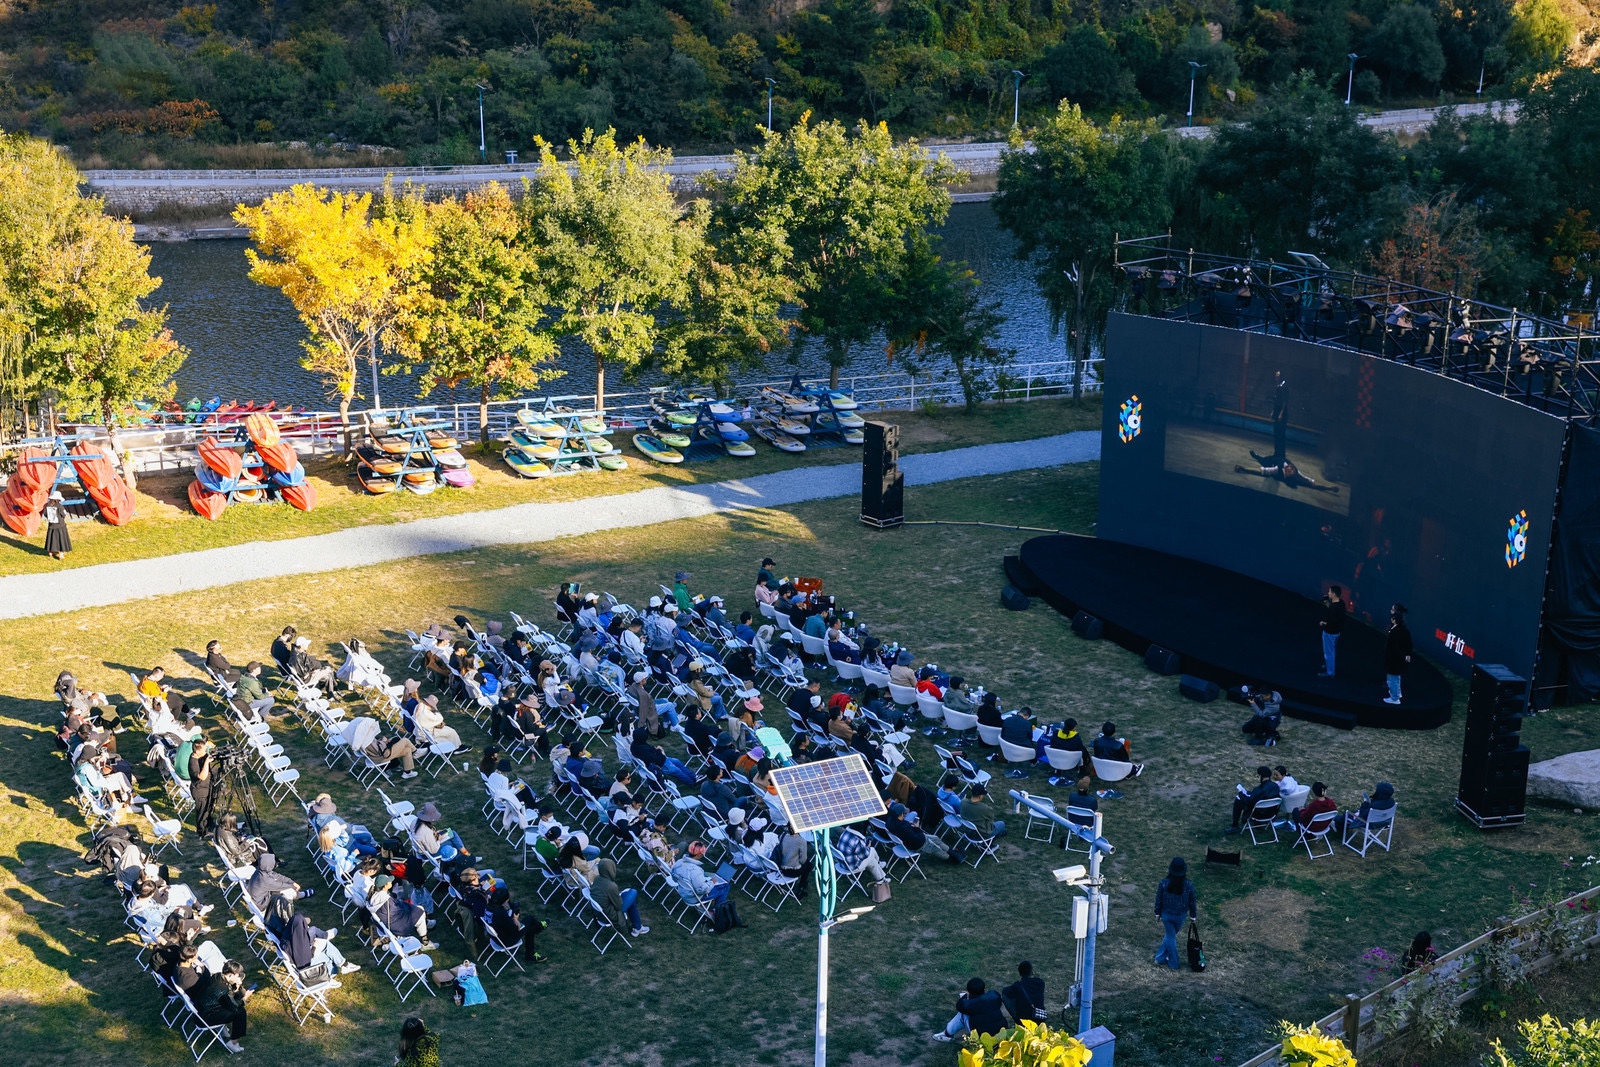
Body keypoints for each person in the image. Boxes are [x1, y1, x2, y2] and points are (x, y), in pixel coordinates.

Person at [193, 959, 252, 1053]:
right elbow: (234, 1006)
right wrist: (245, 998)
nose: (239, 976)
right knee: (240, 1012)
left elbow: (229, 997)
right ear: (230, 974)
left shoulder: (217, 976)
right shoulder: (223, 989)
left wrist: (237, 987)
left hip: (201, 1010)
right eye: (237, 974)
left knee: (237, 1009)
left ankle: (224, 1030)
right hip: (206, 1017)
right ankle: (233, 1043)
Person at [1152, 856, 1197, 971]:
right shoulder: (1188, 885)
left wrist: (1157, 912)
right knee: (1171, 937)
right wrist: (1193, 915)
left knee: (1169, 936)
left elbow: (1159, 899)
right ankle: (1174, 963)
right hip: (1180, 916)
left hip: (1166, 915)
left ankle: (1160, 958)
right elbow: (1192, 901)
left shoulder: (1163, 883)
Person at [931, 977, 1008, 1041]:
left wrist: (966, 996)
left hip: (983, 1037)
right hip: (1002, 1031)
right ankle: (947, 1034)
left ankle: (947, 1034)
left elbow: (959, 1005)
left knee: (962, 1015)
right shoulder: (994, 995)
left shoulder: (967, 1004)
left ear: (969, 991)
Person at [287, 910, 359, 976]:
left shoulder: (288, 939)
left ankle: (343, 965)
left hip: (296, 964)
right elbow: (307, 957)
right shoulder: (301, 942)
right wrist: (314, 947)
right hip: (306, 966)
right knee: (328, 953)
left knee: (325, 945)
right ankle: (336, 970)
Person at [591, 857, 650, 937]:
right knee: (633, 893)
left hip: (600, 913)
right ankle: (637, 927)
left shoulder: (597, 879)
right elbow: (618, 906)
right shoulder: (611, 886)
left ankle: (638, 927)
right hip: (610, 915)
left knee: (630, 898)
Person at [672, 839, 732, 906]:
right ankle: (718, 910)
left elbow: (674, 879)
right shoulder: (695, 871)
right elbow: (703, 890)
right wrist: (712, 882)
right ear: (699, 855)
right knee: (725, 886)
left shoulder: (679, 862)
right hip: (694, 898)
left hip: (682, 891)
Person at [1226, 766, 1280, 834]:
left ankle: (1235, 825)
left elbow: (1249, 802)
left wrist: (1240, 794)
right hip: (1271, 814)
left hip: (1258, 815)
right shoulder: (1275, 787)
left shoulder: (1259, 790)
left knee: (1238, 799)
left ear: (1261, 776)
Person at [188, 737, 217, 836]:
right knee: (202, 812)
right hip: (200, 791)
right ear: (197, 750)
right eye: (204, 750)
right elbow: (202, 777)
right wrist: (206, 762)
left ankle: (208, 825)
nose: (205, 752)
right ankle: (202, 831)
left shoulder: (202, 756)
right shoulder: (193, 762)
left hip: (207, 788)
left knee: (208, 809)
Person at [1384, 604, 1412, 705]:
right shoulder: (1403, 630)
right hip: (1398, 659)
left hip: (1394, 660)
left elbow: (1394, 647)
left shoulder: (1395, 632)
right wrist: (1406, 655)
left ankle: (1394, 698)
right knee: (1396, 678)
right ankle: (1397, 693)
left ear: (1394, 619)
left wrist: (1403, 655)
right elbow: (1408, 644)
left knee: (1392, 679)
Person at [1319, 586, 1345, 677]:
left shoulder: (1335, 608)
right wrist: (1327, 603)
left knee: (1329, 653)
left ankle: (1330, 672)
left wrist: (1323, 623)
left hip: (1330, 633)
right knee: (1332, 651)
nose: (1328, 593)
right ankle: (1328, 666)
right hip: (1337, 632)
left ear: (1334, 594)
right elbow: (1334, 613)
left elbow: (1331, 621)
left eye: (1329, 592)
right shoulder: (1341, 603)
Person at [43, 489, 72, 559]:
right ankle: (61, 554)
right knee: (61, 539)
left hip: (51, 525)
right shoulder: (59, 506)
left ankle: (50, 551)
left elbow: (45, 514)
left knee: (52, 538)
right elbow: (64, 514)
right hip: (60, 525)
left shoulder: (46, 505)